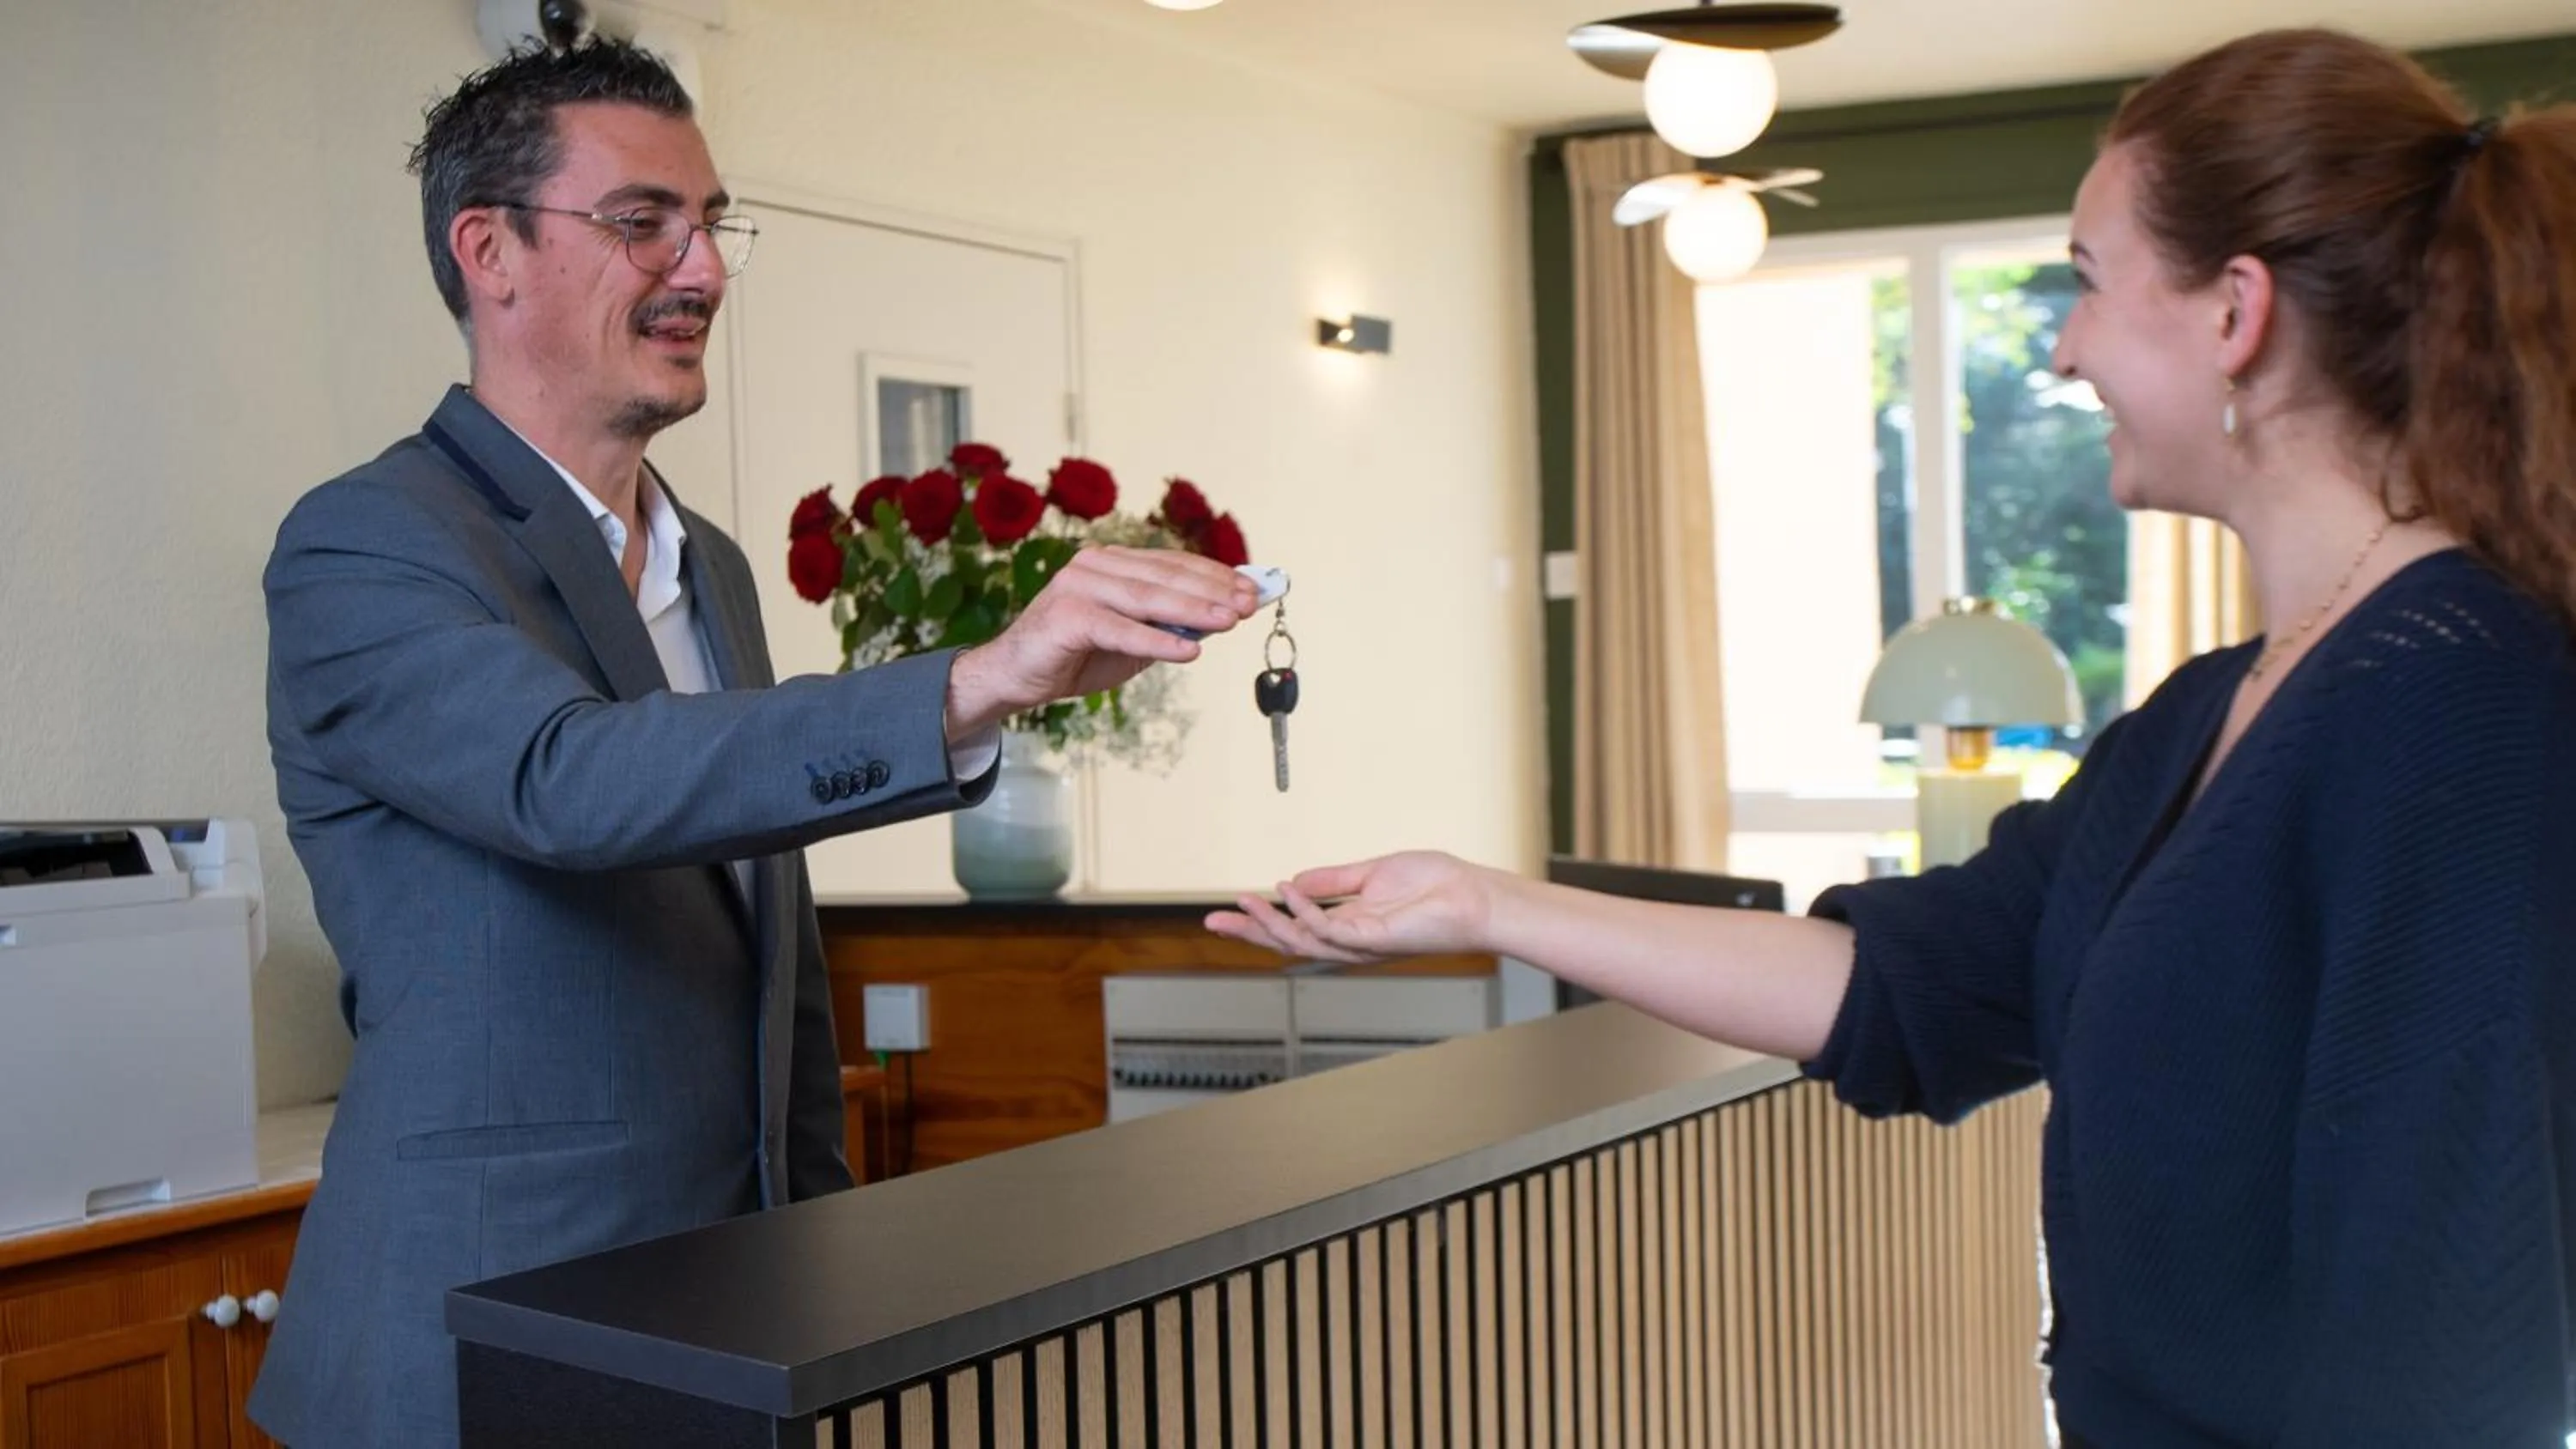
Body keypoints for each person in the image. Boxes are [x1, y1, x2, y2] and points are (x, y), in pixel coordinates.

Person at [1212, 28, 2576, 1447]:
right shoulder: (2207, 714)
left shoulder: (2456, 696)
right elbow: (1908, 990)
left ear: (2237, 314)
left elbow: (2446, 1331)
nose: (2062, 344)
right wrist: (1486, 903)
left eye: (2088, 283)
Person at [250, 39, 1257, 1448]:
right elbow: (571, 782)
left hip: (724, 1342)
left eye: (714, 224)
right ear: (491, 250)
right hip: (474, 1348)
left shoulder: (709, 564)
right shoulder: (366, 543)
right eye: (642, 222)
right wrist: (969, 682)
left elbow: (761, 955)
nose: (705, 270)